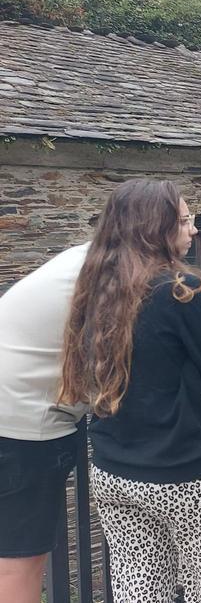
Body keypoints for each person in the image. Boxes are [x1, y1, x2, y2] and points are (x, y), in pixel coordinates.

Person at [58, 180, 201, 603]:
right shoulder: (182, 290)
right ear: (155, 229)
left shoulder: (96, 290)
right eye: (183, 220)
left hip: (113, 469)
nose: (194, 229)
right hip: (182, 475)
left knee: (139, 589)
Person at [0, 245, 89, 603]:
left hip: (13, 416)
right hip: (24, 430)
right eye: (182, 220)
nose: (192, 229)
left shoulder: (77, 260)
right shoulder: (115, 271)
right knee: (19, 564)